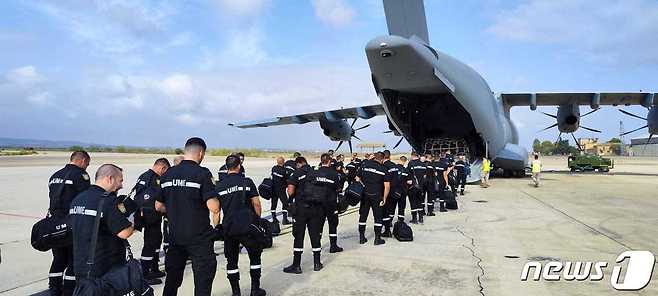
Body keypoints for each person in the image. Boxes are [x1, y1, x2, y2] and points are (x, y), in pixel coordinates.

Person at [155, 137, 219, 296]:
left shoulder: (168, 174)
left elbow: (158, 206)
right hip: (199, 238)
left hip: (175, 236)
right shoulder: (202, 174)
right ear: (201, 153)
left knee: (172, 279)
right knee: (203, 280)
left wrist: (176, 210)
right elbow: (214, 207)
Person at [69, 164, 134, 289]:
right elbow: (124, 232)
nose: (121, 185)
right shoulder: (108, 201)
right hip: (104, 269)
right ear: (110, 178)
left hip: (81, 266)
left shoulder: (78, 198)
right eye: (120, 180)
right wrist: (133, 221)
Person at [215, 155, 266, 296]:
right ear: (239, 166)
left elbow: (215, 210)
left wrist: (217, 226)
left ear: (226, 168)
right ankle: (255, 289)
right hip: (247, 226)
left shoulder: (219, 186)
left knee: (231, 261)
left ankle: (236, 292)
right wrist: (257, 221)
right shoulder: (247, 182)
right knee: (255, 257)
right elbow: (256, 203)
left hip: (229, 227)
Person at [47, 151, 91, 296]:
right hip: (71, 224)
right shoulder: (81, 176)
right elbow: (85, 199)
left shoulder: (54, 175)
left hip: (53, 223)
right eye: (87, 164)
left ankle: (54, 288)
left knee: (58, 258)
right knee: (73, 259)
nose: (86, 167)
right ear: (83, 161)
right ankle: (70, 290)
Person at [283, 156, 331, 273]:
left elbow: (290, 191)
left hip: (301, 210)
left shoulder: (296, 173)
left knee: (299, 236)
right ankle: (317, 263)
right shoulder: (316, 172)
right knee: (315, 236)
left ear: (299, 164)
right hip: (316, 208)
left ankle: (296, 265)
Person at [134, 158, 171, 284]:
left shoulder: (143, 176)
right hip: (151, 215)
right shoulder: (156, 179)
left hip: (144, 214)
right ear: (163, 168)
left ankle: (153, 268)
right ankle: (145, 273)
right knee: (150, 243)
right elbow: (157, 203)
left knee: (155, 241)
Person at [356, 152, 392, 245]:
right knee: (378, 217)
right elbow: (387, 186)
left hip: (365, 194)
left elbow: (357, 178)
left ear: (374, 157)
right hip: (377, 195)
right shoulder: (383, 169)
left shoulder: (365, 165)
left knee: (363, 216)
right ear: (382, 159)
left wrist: (364, 185)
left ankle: (361, 237)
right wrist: (384, 198)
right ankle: (377, 239)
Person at [318, 154, 344, 253]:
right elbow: (338, 188)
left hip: (318, 203)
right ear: (329, 161)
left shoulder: (315, 172)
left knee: (318, 225)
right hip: (331, 203)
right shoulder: (333, 174)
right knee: (333, 224)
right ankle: (333, 246)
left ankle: (317, 245)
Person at [381, 150, 401, 237]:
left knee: (385, 211)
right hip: (395, 190)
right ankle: (389, 224)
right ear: (390, 156)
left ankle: (387, 230)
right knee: (392, 209)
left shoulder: (384, 166)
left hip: (387, 191)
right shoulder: (394, 166)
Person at [406, 152, 426, 224]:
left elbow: (407, 174)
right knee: (420, 202)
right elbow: (424, 176)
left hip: (413, 187)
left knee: (413, 202)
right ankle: (421, 218)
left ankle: (414, 218)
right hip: (421, 187)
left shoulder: (411, 164)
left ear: (412, 156)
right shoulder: (423, 164)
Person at [270, 157, 291, 225]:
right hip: (281, 190)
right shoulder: (284, 170)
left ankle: (274, 218)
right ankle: (285, 219)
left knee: (273, 204)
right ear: (283, 162)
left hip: (273, 189)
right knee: (285, 203)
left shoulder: (274, 168)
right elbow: (287, 179)